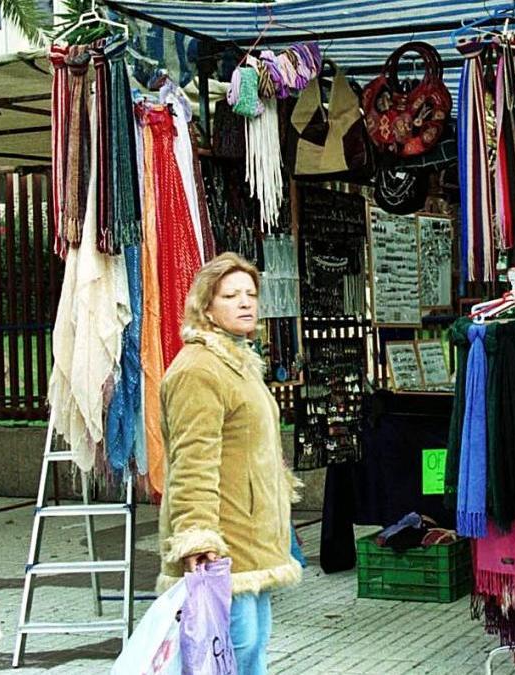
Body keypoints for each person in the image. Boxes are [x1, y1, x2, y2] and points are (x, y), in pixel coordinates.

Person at [156, 252, 301, 674]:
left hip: (252, 538)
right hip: (222, 545)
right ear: (206, 306)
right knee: (227, 653)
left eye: (251, 294)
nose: (245, 303)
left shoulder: (238, 364)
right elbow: (191, 464)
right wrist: (198, 540)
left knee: (250, 650)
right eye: (231, 294)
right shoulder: (198, 370)